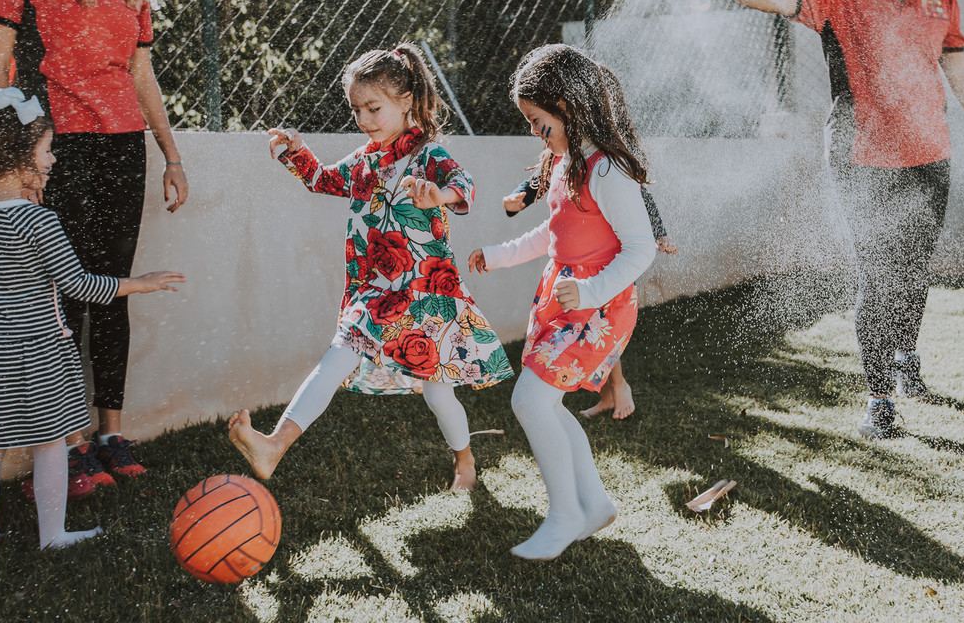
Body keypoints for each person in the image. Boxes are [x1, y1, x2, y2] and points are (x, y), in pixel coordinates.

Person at [689, 0, 964, 438]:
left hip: (931, 157)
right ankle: (879, 398)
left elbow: (960, 71)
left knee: (912, 272)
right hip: (860, 159)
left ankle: (905, 355)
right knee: (878, 277)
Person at [0, 0, 189, 491]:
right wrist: (13, 162)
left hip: (122, 146)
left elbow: (142, 77)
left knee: (114, 289)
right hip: (54, 149)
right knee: (61, 296)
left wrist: (172, 156)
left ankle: (110, 434)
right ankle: (66, 444)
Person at [228, 43, 513, 491]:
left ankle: (465, 461)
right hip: (374, 293)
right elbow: (323, 179)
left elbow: (465, 185)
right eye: (357, 110)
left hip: (424, 294)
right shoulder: (365, 161)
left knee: (439, 395)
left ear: (406, 101)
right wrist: (295, 152)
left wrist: (439, 196)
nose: (364, 119)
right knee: (338, 354)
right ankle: (275, 444)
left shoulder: (428, 155)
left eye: (374, 108)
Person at [0, 91, 183, 550]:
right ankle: (53, 535)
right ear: (18, 158)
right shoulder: (39, 222)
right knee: (51, 444)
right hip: (39, 354)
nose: (53, 159)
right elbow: (80, 285)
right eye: (46, 150)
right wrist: (138, 283)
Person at [469, 44, 657, 560]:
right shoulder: (565, 163)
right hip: (563, 300)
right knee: (544, 403)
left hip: (598, 308)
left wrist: (591, 292)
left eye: (538, 120)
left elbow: (640, 249)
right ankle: (593, 505)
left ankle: (565, 514)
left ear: (567, 106)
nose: (534, 132)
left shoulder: (606, 170)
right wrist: (499, 255)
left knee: (529, 401)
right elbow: (551, 234)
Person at [503, 137, 677, 422]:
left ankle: (618, 387)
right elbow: (549, 172)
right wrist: (520, 196)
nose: (535, 131)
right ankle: (610, 393)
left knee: (598, 327)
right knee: (591, 331)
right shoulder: (565, 150)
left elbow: (638, 193)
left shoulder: (609, 159)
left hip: (605, 262)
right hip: (581, 265)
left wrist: (659, 232)